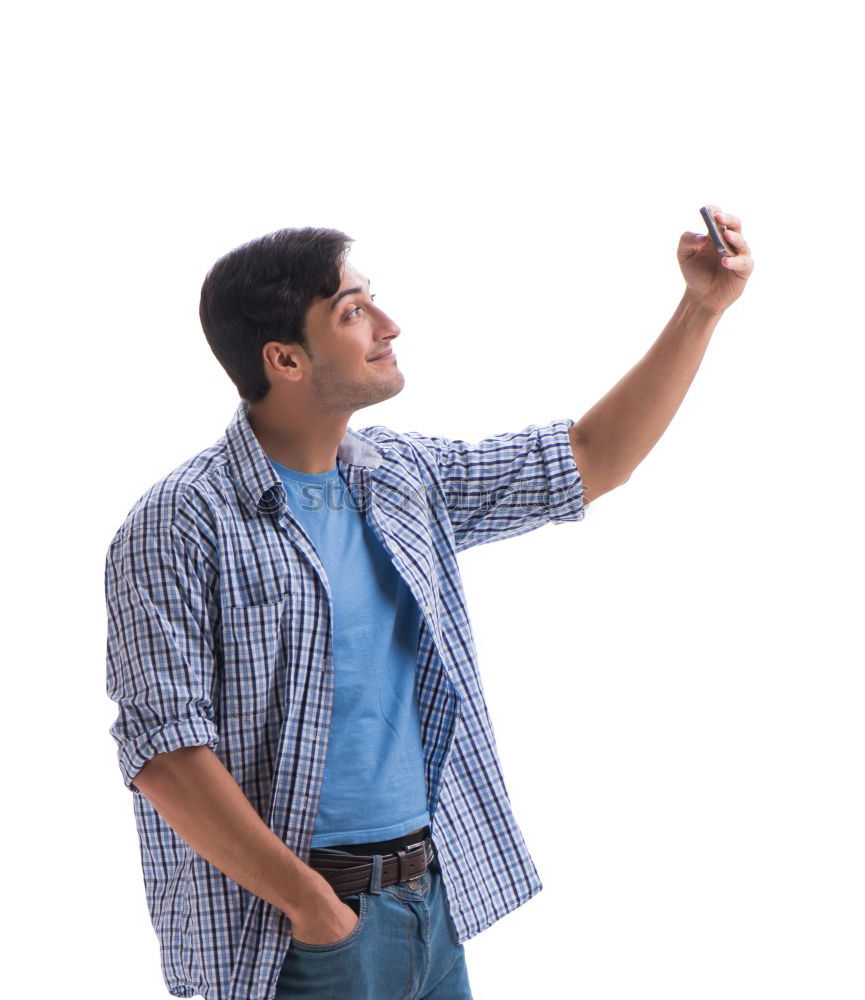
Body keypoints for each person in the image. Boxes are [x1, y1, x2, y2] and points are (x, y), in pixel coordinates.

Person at [104, 214, 753, 1000]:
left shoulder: (402, 478)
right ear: (284, 360)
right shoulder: (181, 520)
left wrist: (701, 308)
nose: (387, 325)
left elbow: (588, 458)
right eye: (351, 311)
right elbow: (165, 753)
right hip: (299, 934)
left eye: (371, 300)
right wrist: (313, 908)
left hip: (429, 903)